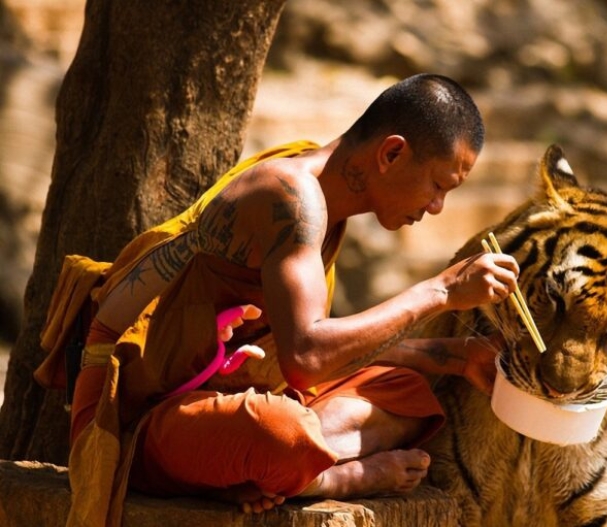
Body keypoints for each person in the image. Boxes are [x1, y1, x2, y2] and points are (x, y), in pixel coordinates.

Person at [35, 73, 519, 526]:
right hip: (138, 413)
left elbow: (297, 342)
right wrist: (439, 292)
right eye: (438, 185)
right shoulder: (290, 198)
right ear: (391, 154)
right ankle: (325, 477)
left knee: (407, 394)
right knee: (278, 432)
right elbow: (307, 357)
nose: (436, 207)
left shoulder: (327, 201)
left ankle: (255, 471)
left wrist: (452, 357)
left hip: (228, 389)